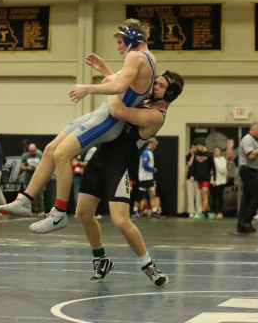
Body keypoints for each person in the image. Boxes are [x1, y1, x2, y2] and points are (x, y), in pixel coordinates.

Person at [0, 19, 156, 229]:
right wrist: (104, 69)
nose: (118, 47)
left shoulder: (136, 56)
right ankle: (25, 199)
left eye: (119, 41)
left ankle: (59, 213)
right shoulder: (146, 57)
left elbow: (120, 86)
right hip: (102, 114)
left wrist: (88, 88)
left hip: (108, 120)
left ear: (130, 38)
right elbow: (126, 85)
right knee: (51, 149)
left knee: (62, 154)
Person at [73, 70, 184, 286]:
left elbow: (115, 110)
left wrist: (115, 83)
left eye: (160, 85)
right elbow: (125, 84)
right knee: (83, 212)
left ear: (169, 94)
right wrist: (106, 71)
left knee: (121, 221)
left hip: (118, 167)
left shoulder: (156, 116)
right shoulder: (144, 100)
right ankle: (101, 259)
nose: (154, 87)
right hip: (99, 159)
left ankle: (149, 265)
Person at [236, 121, 258, 234]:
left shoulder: (255, 140)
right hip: (247, 170)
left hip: (252, 170)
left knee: (247, 197)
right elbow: (250, 155)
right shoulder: (248, 139)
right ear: (254, 129)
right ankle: (246, 221)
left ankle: (241, 224)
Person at [190, 140, 215, 219]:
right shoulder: (197, 154)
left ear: (201, 145)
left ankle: (202, 212)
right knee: (203, 196)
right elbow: (193, 166)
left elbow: (213, 167)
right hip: (199, 178)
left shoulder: (209, 155)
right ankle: (208, 212)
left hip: (206, 178)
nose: (196, 148)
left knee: (204, 195)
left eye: (197, 146)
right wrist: (191, 175)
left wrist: (214, 178)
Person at [137, 137, 160, 218]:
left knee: (152, 194)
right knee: (140, 195)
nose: (155, 146)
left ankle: (154, 211)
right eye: (154, 144)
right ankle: (136, 210)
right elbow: (145, 165)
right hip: (144, 177)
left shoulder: (150, 152)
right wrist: (153, 169)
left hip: (149, 177)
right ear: (150, 143)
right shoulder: (146, 153)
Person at [185, 142, 203, 218]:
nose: (193, 149)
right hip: (190, 177)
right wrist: (192, 156)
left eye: (194, 148)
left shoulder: (199, 156)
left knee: (198, 195)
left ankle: (198, 211)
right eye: (192, 148)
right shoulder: (188, 156)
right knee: (190, 194)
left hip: (198, 177)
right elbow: (190, 164)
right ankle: (191, 211)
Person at [210, 146, 227, 219]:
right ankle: (213, 211)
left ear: (220, 152)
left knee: (220, 197)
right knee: (213, 197)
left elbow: (223, 170)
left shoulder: (223, 160)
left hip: (221, 181)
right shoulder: (211, 159)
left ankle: (220, 212)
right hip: (213, 181)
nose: (216, 152)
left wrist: (216, 165)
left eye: (218, 151)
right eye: (215, 150)